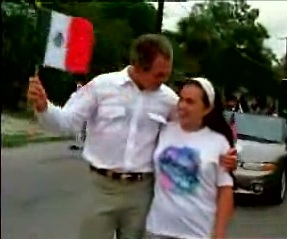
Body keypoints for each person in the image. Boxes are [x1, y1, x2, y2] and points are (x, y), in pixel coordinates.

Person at [27, 34, 237, 239]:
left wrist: (226, 154)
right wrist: (44, 108)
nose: (164, 80)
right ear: (137, 66)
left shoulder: (169, 100)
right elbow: (68, 122)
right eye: (159, 75)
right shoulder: (102, 86)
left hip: (141, 193)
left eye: (167, 74)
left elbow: (194, 132)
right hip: (101, 189)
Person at [145, 77, 234, 239]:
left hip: (197, 233)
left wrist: (220, 233)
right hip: (157, 229)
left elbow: (225, 192)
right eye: (181, 99)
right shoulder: (164, 130)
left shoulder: (219, 143)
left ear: (207, 109)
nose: (182, 106)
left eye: (190, 102)